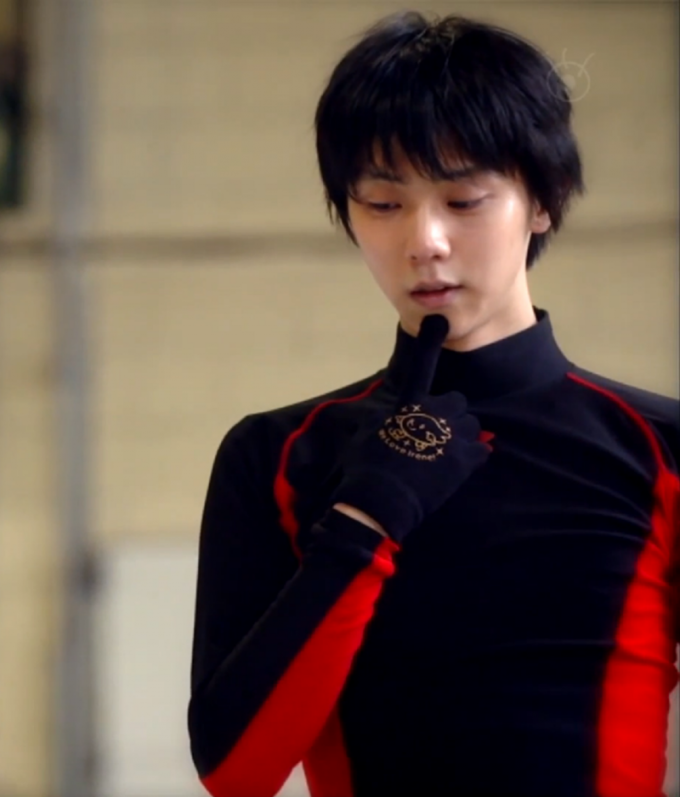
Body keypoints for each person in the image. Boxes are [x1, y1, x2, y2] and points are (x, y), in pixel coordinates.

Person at [187, 11, 680, 797]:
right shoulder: (281, 455)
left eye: (465, 199)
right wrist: (363, 521)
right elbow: (236, 771)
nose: (425, 241)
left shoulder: (658, 448)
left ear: (543, 201)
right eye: (383, 205)